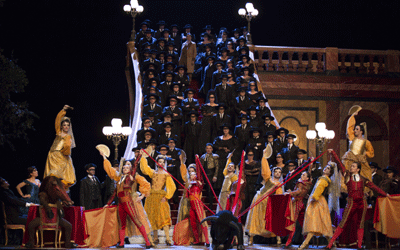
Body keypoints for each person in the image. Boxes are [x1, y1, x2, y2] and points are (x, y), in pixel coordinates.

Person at [326, 161, 389, 249]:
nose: (351, 167)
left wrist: (385, 194)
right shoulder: (348, 176)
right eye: (351, 166)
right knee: (343, 223)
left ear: (358, 169)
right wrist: (333, 153)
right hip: (351, 203)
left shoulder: (363, 179)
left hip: (362, 203)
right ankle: (330, 244)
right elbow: (340, 164)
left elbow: (374, 187)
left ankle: (359, 246)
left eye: (353, 166)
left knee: (360, 224)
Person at [101, 153, 153, 249]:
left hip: (128, 202)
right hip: (121, 204)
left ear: (129, 170)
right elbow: (114, 194)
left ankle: (147, 242)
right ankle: (121, 243)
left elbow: (135, 166)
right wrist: (107, 204)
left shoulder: (130, 177)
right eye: (123, 168)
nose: (125, 169)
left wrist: (138, 157)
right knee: (122, 223)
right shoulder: (119, 180)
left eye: (126, 168)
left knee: (137, 221)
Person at [298, 162, 339, 250]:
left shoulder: (324, 179)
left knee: (314, 223)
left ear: (330, 172)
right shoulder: (323, 178)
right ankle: (332, 243)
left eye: (328, 169)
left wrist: (314, 198)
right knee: (321, 223)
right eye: (326, 167)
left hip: (317, 202)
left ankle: (305, 243)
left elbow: (319, 190)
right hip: (318, 200)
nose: (325, 169)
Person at [244, 155, 283, 245]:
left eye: (279, 172)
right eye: (275, 171)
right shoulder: (268, 179)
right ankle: (251, 238)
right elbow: (265, 171)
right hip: (260, 200)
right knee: (255, 218)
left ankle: (278, 238)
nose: (277, 173)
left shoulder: (280, 184)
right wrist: (264, 158)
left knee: (272, 220)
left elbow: (279, 195)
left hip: (270, 203)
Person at [140, 154, 176, 245]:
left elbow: (172, 187)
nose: (162, 163)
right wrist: (143, 157)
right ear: (156, 162)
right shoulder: (153, 172)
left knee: (164, 216)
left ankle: (168, 239)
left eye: (163, 162)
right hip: (151, 197)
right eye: (160, 162)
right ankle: (155, 238)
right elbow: (145, 169)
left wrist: (167, 196)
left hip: (160, 197)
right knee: (152, 217)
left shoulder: (166, 174)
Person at [44, 105, 76, 189]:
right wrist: (63, 110)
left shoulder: (68, 136)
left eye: (67, 125)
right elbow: (57, 120)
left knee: (61, 174)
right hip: (53, 154)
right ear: (61, 126)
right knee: (53, 173)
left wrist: (66, 153)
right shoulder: (58, 132)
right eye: (64, 125)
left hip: (61, 156)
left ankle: (59, 189)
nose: (66, 126)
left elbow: (68, 146)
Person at [342, 106, 374, 183]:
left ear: (361, 131)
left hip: (360, 162)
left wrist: (365, 153)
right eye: (355, 129)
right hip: (350, 161)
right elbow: (349, 128)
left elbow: (371, 153)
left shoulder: (366, 142)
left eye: (357, 129)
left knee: (364, 176)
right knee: (347, 177)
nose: (355, 130)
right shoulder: (352, 138)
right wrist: (352, 116)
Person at [284, 171, 313, 247]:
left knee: (292, 222)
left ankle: (288, 241)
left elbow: (298, 191)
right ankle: (306, 242)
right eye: (302, 174)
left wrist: (290, 193)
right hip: (302, 204)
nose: (301, 176)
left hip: (296, 203)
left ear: (307, 178)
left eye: (303, 175)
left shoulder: (300, 183)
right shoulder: (308, 184)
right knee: (302, 223)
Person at [213, 124, 237, 189]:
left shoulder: (233, 138)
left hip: (228, 157)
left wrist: (229, 150)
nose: (225, 130)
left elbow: (235, 147)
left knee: (227, 170)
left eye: (227, 129)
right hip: (220, 157)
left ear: (229, 130)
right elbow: (215, 146)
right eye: (224, 129)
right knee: (220, 171)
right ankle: (218, 187)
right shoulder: (218, 138)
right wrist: (222, 148)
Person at [199, 143, 220, 208]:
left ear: (212, 149)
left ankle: (210, 205)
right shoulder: (202, 157)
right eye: (207, 148)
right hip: (205, 174)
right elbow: (201, 166)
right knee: (206, 189)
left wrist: (215, 176)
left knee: (209, 189)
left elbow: (217, 167)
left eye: (210, 148)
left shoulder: (215, 156)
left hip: (211, 174)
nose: (208, 150)